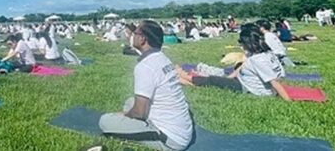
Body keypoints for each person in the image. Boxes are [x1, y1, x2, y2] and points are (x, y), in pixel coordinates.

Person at [99, 20, 193, 150]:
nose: (132, 36)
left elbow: (139, 113)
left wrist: (122, 115)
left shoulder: (145, 66)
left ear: (142, 39)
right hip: (181, 128)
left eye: (135, 33)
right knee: (130, 102)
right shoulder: (163, 58)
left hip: (170, 139)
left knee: (105, 121)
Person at [176, 23, 290, 101]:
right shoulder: (266, 54)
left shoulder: (258, 60)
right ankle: (185, 78)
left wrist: (287, 101)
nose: (241, 46)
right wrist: (229, 78)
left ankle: (186, 78)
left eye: (242, 43)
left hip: (249, 89)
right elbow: (243, 67)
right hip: (248, 83)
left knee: (212, 80)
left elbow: (274, 82)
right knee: (219, 79)